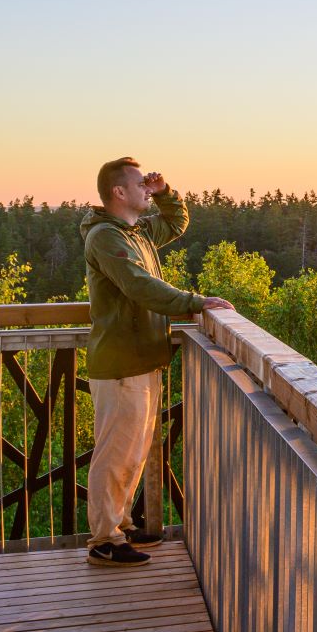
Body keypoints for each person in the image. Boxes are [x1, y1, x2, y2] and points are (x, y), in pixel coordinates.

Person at [81, 157, 232, 567]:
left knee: (132, 453)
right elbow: (138, 285)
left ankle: (122, 527)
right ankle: (103, 541)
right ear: (118, 192)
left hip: (144, 359)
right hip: (120, 363)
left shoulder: (137, 233)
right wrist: (194, 303)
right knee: (114, 455)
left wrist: (165, 192)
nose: (146, 188)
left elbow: (177, 222)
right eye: (140, 184)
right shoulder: (105, 238)